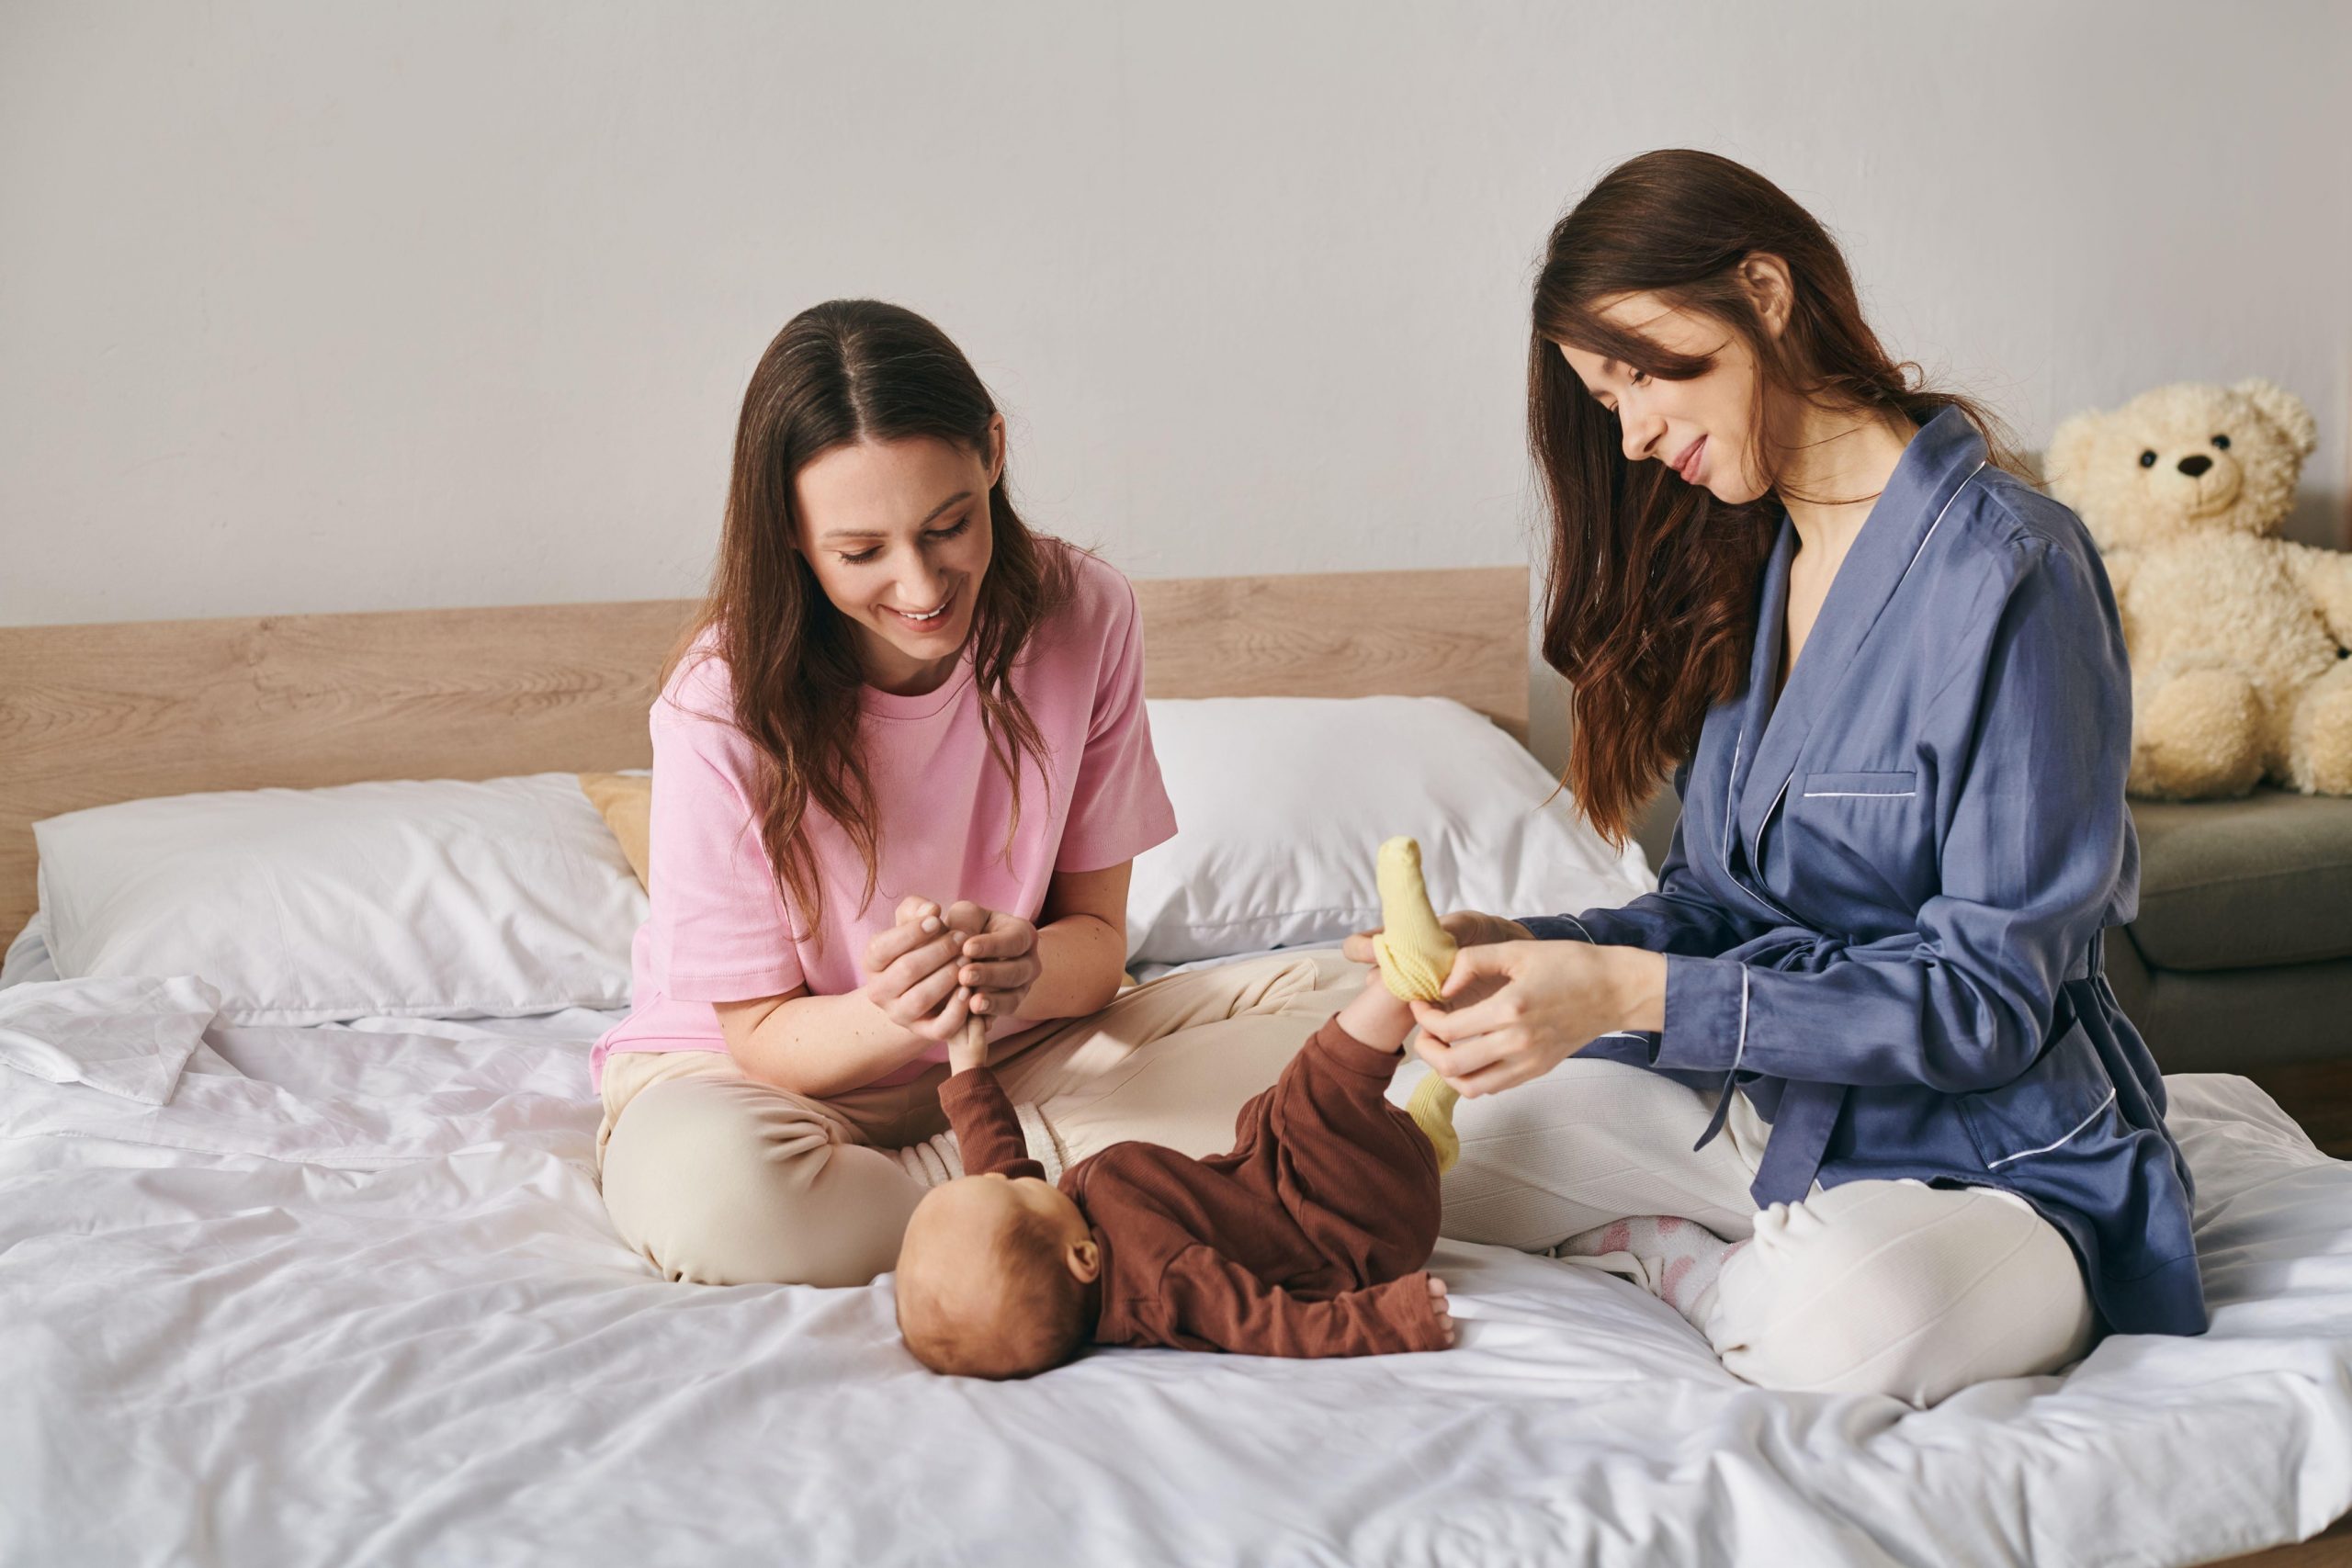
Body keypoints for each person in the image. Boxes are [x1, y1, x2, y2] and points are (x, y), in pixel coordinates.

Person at [1352, 149, 2202, 1406]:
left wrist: (1632, 991)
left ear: (1764, 289)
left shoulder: (2013, 573)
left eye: (1640, 373)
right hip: (1777, 1109)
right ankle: (1718, 1258)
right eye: (1607, 399)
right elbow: (1715, 905)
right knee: (1411, 1154)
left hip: (1992, 1158)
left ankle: (1698, 1272)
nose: (1633, 432)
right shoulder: (1751, 562)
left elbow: (1988, 1002)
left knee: (1844, 1323)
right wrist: (1533, 946)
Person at [589, 299, 1362, 1289]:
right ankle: (1081, 1190)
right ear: (790, 531)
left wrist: (1017, 975)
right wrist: (908, 1009)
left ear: (992, 452)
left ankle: (975, 1195)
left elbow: (1094, 946)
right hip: (774, 1090)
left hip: (1019, 1058)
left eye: (948, 526)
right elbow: (767, 1041)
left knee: (1356, 1015)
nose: (920, 587)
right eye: (861, 553)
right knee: (722, 1202)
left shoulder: (1085, 612)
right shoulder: (717, 701)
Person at [895, 950, 1455, 1378]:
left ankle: (1423, 1138)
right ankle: (1402, 985)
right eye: (1009, 1191)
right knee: (1305, 1095)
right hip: (1342, 1225)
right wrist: (1395, 1319)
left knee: (1265, 1118)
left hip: (1302, 1183)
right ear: (1084, 1259)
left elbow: (1000, 1163)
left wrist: (967, 1065)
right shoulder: (1159, 1278)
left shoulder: (1065, 1235)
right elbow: (1269, 1325)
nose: (1002, 1178)